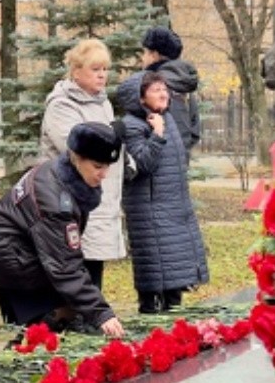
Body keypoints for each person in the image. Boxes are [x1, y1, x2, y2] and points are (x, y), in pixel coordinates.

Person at [0, 122, 126, 338]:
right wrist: (101, 313)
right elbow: (65, 266)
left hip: (25, 245)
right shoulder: (56, 201)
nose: (104, 174)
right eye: (97, 166)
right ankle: (15, 363)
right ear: (76, 157)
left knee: (63, 318)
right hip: (11, 253)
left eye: (107, 167)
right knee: (45, 326)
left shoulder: (68, 176)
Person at [118, 71, 208, 313]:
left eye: (164, 89)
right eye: (156, 90)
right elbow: (143, 164)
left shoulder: (164, 119)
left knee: (175, 277)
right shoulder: (133, 126)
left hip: (173, 208)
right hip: (150, 212)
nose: (163, 94)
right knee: (155, 275)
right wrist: (157, 134)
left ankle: (172, 322)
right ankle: (152, 321)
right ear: (140, 98)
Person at [40, 39, 126, 290]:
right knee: (74, 264)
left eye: (105, 69)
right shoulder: (62, 105)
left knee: (94, 265)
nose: (102, 75)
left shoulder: (103, 103)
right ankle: (72, 319)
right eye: (95, 69)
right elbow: (75, 146)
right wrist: (114, 134)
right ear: (76, 72)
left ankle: (91, 318)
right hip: (71, 200)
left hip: (100, 195)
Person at [140, 26, 201, 164]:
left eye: (144, 52)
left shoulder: (152, 85)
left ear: (154, 55)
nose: (142, 58)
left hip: (156, 163)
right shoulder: (185, 85)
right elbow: (195, 130)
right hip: (180, 163)